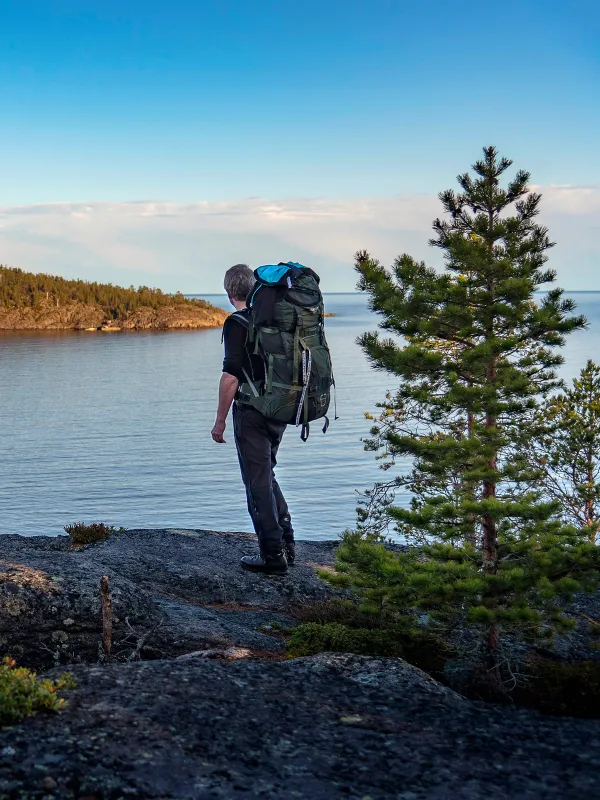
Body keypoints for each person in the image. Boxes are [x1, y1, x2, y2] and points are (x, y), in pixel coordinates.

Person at [211, 263, 294, 574]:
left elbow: (231, 377)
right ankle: (288, 543)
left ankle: (273, 556)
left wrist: (219, 421)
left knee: (256, 482)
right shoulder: (274, 319)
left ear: (230, 293)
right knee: (267, 473)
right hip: (280, 408)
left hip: (252, 411)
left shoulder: (237, 323)